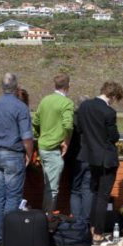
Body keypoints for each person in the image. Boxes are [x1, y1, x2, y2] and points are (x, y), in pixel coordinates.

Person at [0, 73, 34, 246]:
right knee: (12, 197)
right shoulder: (20, 107)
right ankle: (7, 238)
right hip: (13, 154)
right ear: (16, 86)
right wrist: (29, 153)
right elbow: (27, 137)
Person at [76, 81, 123, 244]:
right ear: (113, 95)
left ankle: (90, 228)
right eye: (116, 99)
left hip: (91, 157)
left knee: (94, 193)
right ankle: (98, 233)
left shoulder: (84, 107)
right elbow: (114, 137)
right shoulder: (109, 112)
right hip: (107, 159)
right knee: (103, 196)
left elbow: (80, 129)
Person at [32, 74, 74, 213]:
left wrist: (40, 136)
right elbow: (68, 125)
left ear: (55, 85)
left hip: (43, 147)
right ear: (68, 86)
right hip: (53, 149)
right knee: (52, 189)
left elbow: (36, 122)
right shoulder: (67, 103)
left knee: (48, 185)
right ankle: (47, 219)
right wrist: (66, 141)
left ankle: (46, 217)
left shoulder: (45, 100)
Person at [66, 96, 93, 223]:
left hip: (76, 157)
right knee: (87, 189)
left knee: (75, 190)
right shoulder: (93, 118)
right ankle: (85, 221)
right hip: (91, 157)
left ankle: (76, 221)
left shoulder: (73, 118)